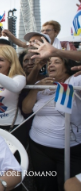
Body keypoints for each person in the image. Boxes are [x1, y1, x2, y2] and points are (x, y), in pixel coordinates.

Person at [22, 56, 81, 191]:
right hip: (38, 147)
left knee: (68, 185)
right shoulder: (42, 83)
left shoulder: (75, 80)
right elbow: (26, 108)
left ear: (67, 67)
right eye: (49, 63)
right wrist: (36, 88)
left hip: (69, 149)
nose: (50, 65)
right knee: (44, 185)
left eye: (56, 62)